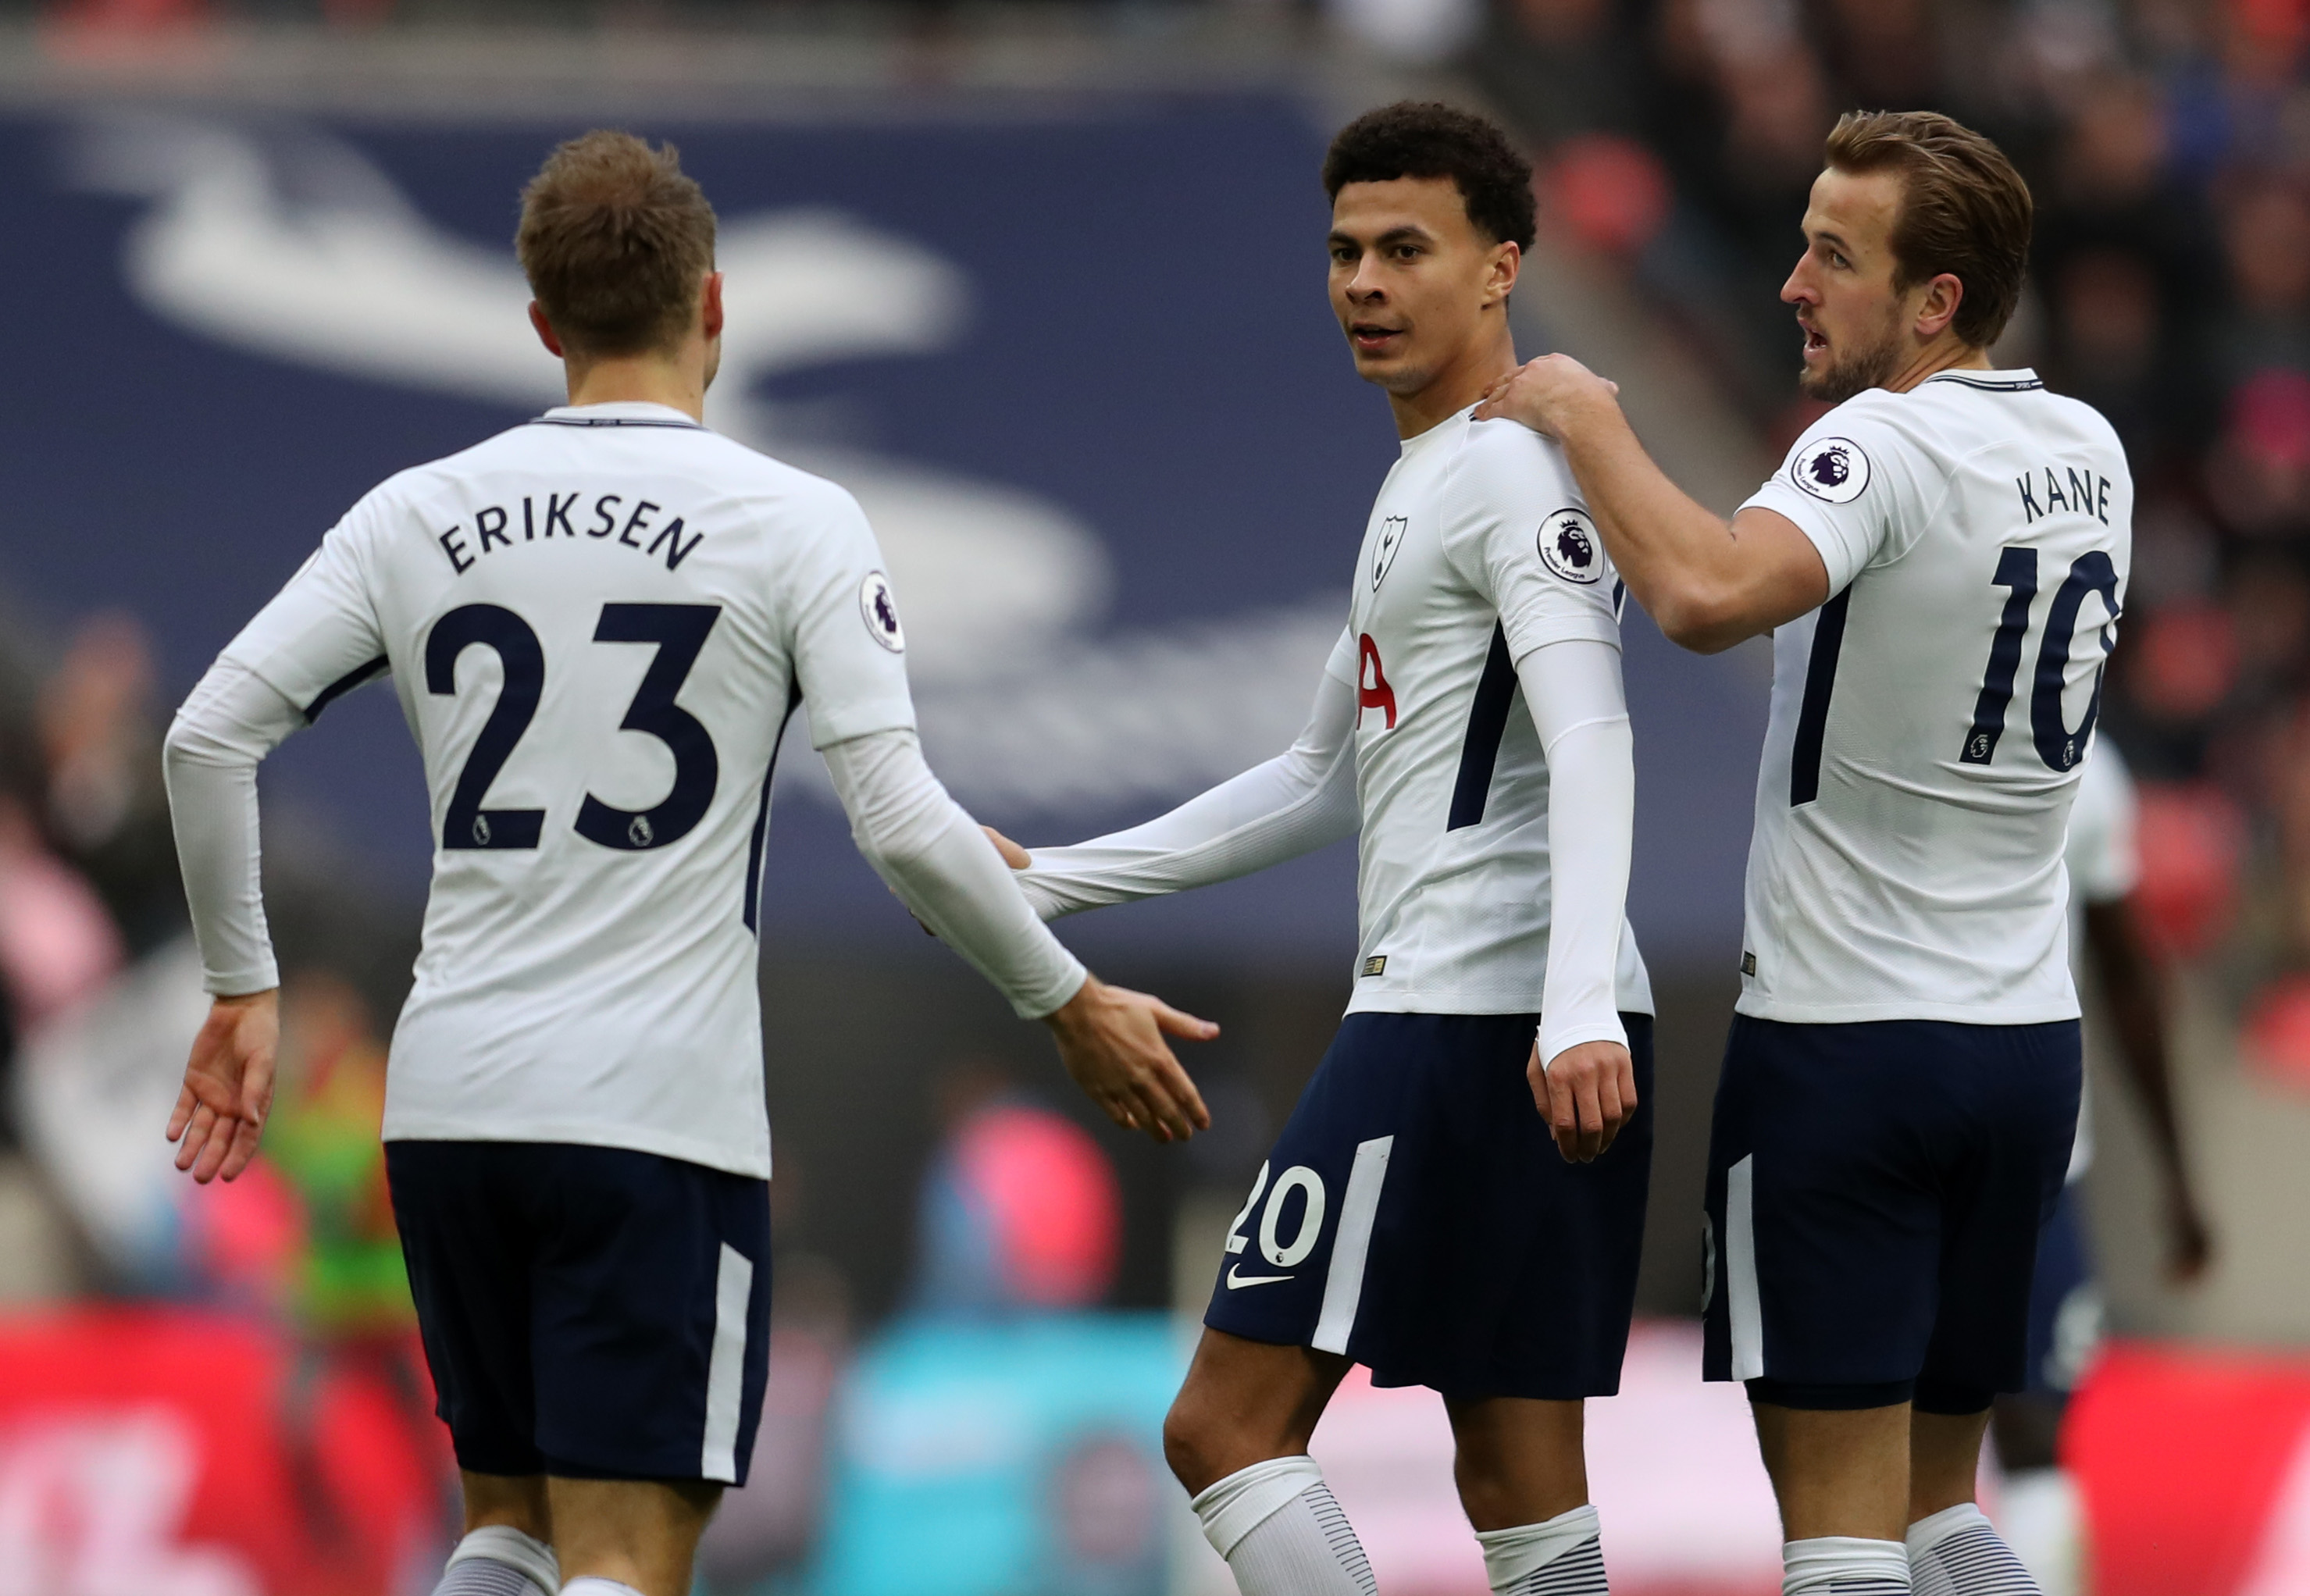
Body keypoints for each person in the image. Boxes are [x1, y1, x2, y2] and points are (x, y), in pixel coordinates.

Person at [159, 130, 1215, 1596]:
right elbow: (898, 817)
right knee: (632, 1548)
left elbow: (205, 737)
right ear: (715, 304)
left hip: (454, 1107)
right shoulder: (794, 520)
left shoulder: (411, 514)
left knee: (507, 1525)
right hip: (651, 1117)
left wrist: (241, 983)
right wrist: (1069, 998)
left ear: (538, 322)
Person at [988, 101, 1653, 1596]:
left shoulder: (1498, 476)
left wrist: (1574, 1004)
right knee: (1520, 1478)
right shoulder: (1427, 473)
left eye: (1403, 249)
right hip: (1508, 1015)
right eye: (1344, 250)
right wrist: (1052, 880)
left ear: (1500, 269)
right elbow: (1312, 776)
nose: (1363, 279)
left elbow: (1596, 729)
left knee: (1222, 1424)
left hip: (1472, 1018)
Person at [1477, 109, 2125, 1596]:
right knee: (1940, 1514)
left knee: (1837, 1540)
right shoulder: (2088, 449)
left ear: (1933, 301)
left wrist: (1583, 415)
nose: (1790, 282)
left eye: (1833, 255)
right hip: (2022, 1052)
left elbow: (1706, 593)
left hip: (1849, 1050)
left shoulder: (1876, 441)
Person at [1992, 739, 2212, 1596]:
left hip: (1893, 1124)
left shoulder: (1873, 714)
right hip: (2031, 1143)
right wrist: (2178, 1176)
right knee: (2032, 1440)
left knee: (1882, 1439)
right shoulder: (2081, 753)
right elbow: (2128, 971)